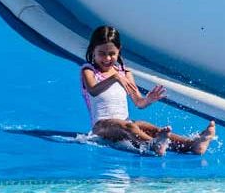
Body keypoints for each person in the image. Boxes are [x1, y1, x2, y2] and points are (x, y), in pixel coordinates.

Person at [80, 25, 216, 156]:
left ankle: (193, 144)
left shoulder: (124, 73)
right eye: (102, 53)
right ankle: (154, 145)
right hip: (102, 127)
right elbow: (93, 90)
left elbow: (138, 103)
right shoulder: (89, 70)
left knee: (149, 128)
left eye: (112, 54)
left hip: (125, 124)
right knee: (129, 127)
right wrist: (114, 78)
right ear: (93, 50)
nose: (107, 58)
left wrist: (148, 100)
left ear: (119, 50)